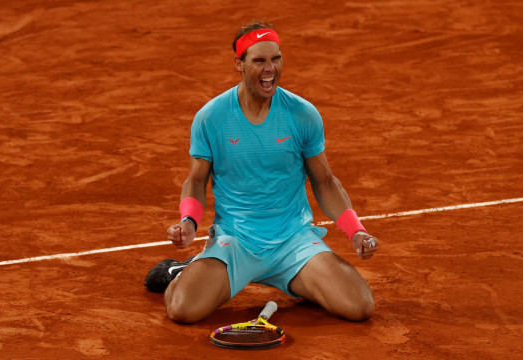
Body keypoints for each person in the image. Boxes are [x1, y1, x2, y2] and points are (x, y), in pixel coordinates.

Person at [144, 21, 378, 323]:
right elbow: (196, 180)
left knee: (360, 306)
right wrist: (189, 220)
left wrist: (355, 229)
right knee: (181, 310)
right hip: (236, 242)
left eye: (275, 58)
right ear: (239, 64)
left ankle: (289, 277)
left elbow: (325, 181)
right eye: (259, 60)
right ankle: (184, 269)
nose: (270, 69)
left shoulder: (302, 114)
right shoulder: (211, 118)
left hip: (293, 242)